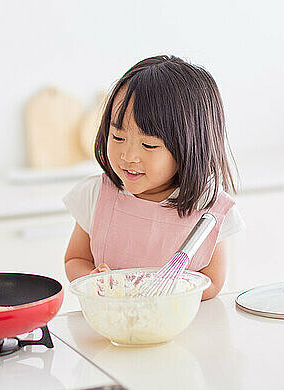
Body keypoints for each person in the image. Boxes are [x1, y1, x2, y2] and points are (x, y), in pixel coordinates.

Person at [63, 55, 244, 300]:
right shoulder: (96, 196)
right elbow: (76, 258)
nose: (128, 156)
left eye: (148, 145)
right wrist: (93, 278)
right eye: (117, 137)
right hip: (113, 326)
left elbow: (212, 281)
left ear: (189, 149)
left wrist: (165, 295)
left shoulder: (208, 208)